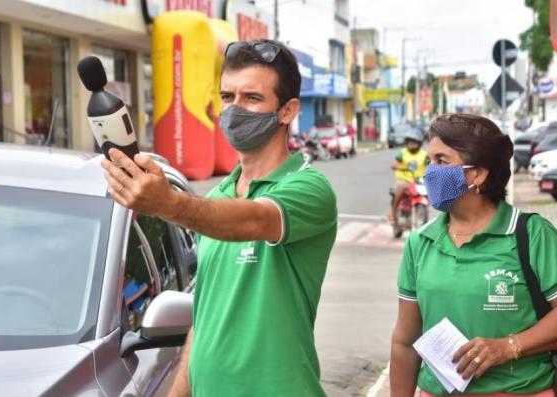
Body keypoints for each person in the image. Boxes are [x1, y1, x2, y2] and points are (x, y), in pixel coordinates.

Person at [101, 40, 337, 397]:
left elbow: (255, 221)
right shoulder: (216, 198)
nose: (234, 110)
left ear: (287, 111)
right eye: (228, 97)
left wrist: (167, 203)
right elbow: (206, 315)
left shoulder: (309, 188)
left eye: (252, 98)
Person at [390, 113, 557, 396]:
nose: (430, 172)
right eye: (430, 162)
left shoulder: (532, 235)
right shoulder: (421, 242)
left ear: (477, 173)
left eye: (442, 161)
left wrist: (507, 347)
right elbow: (405, 342)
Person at [389, 129, 427, 224]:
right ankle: (393, 214)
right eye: (410, 142)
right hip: (404, 180)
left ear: (419, 143)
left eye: (414, 142)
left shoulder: (424, 154)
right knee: (401, 187)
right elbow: (394, 164)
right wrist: (403, 167)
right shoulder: (402, 153)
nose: (412, 144)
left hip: (418, 181)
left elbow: (432, 164)